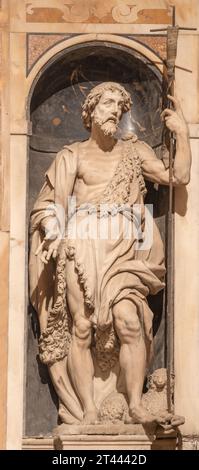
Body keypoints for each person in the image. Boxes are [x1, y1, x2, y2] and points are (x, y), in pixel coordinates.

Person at [29, 82, 191, 425]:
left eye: (120, 105)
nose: (115, 111)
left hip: (124, 252)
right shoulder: (71, 156)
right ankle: (88, 410)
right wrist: (55, 233)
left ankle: (135, 405)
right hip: (82, 247)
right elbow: (46, 207)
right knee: (82, 328)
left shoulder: (135, 152)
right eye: (107, 104)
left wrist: (184, 135)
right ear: (90, 112)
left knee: (130, 321)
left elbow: (177, 175)